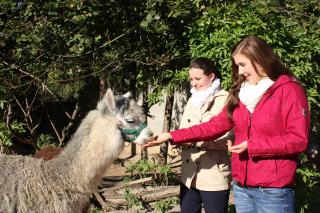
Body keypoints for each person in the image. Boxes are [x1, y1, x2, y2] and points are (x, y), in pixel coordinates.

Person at [144, 35, 310, 213]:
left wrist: (253, 146)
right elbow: (213, 126)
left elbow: (298, 140)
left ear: (260, 59)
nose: (239, 71)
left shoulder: (289, 90)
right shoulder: (240, 93)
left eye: (243, 64)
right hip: (242, 188)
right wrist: (171, 135)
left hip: (273, 190)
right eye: (237, 65)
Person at [175, 57, 232, 213]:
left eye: (198, 78)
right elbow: (183, 130)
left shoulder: (226, 99)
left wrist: (194, 140)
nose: (193, 83)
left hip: (214, 174)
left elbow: (228, 138)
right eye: (191, 79)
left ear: (211, 76)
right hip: (189, 174)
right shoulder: (192, 100)